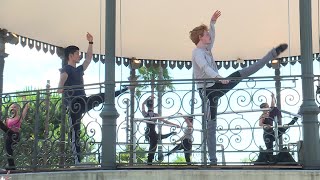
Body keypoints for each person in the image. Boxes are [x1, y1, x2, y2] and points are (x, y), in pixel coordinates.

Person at [190, 10, 288, 165]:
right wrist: (220, 79)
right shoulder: (197, 53)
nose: (209, 36)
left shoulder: (207, 49)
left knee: (242, 73)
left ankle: (271, 54)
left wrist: (213, 23)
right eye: (206, 34)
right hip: (208, 92)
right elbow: (204, 68)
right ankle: (213, 160)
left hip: (216, 85)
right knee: (211, 125)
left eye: (208, 33)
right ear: (200, 38)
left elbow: (213, 38)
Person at [57, 32, 127, 164]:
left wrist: (90, 43)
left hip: (82, 101)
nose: (79, 55)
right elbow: (60, 86)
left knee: (102, 96)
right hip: (74, 104)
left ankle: (122, 90)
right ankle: (77, 161)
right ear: (71, 56)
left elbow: (88, 59)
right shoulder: (66, 69)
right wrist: (62, 87)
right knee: (75, 132)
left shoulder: (78, 70)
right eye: (77, 53)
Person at [142, 96, 180, 165]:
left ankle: (149, 161)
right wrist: (174, 125)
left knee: (158, 140)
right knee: (154, 145)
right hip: (153, 133)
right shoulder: (155, 115)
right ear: (153, 106)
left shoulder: (145, 114)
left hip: (148, 133)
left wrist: (148, 98)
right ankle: (149, 162)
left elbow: (142, 104)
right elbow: (165, 121)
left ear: (147, 106)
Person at [0, 96, 29, 170]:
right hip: (9, 136)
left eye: (15, 107)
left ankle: (11, 166)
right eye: (12, 107)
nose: (13, 108)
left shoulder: (20, 117)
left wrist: (25, 100)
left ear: (18, 109)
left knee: (6, 130)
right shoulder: (8, 119)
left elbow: (26, 108)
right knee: (8, 150)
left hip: (15, 135)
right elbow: (4, 127)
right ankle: (11, 166)